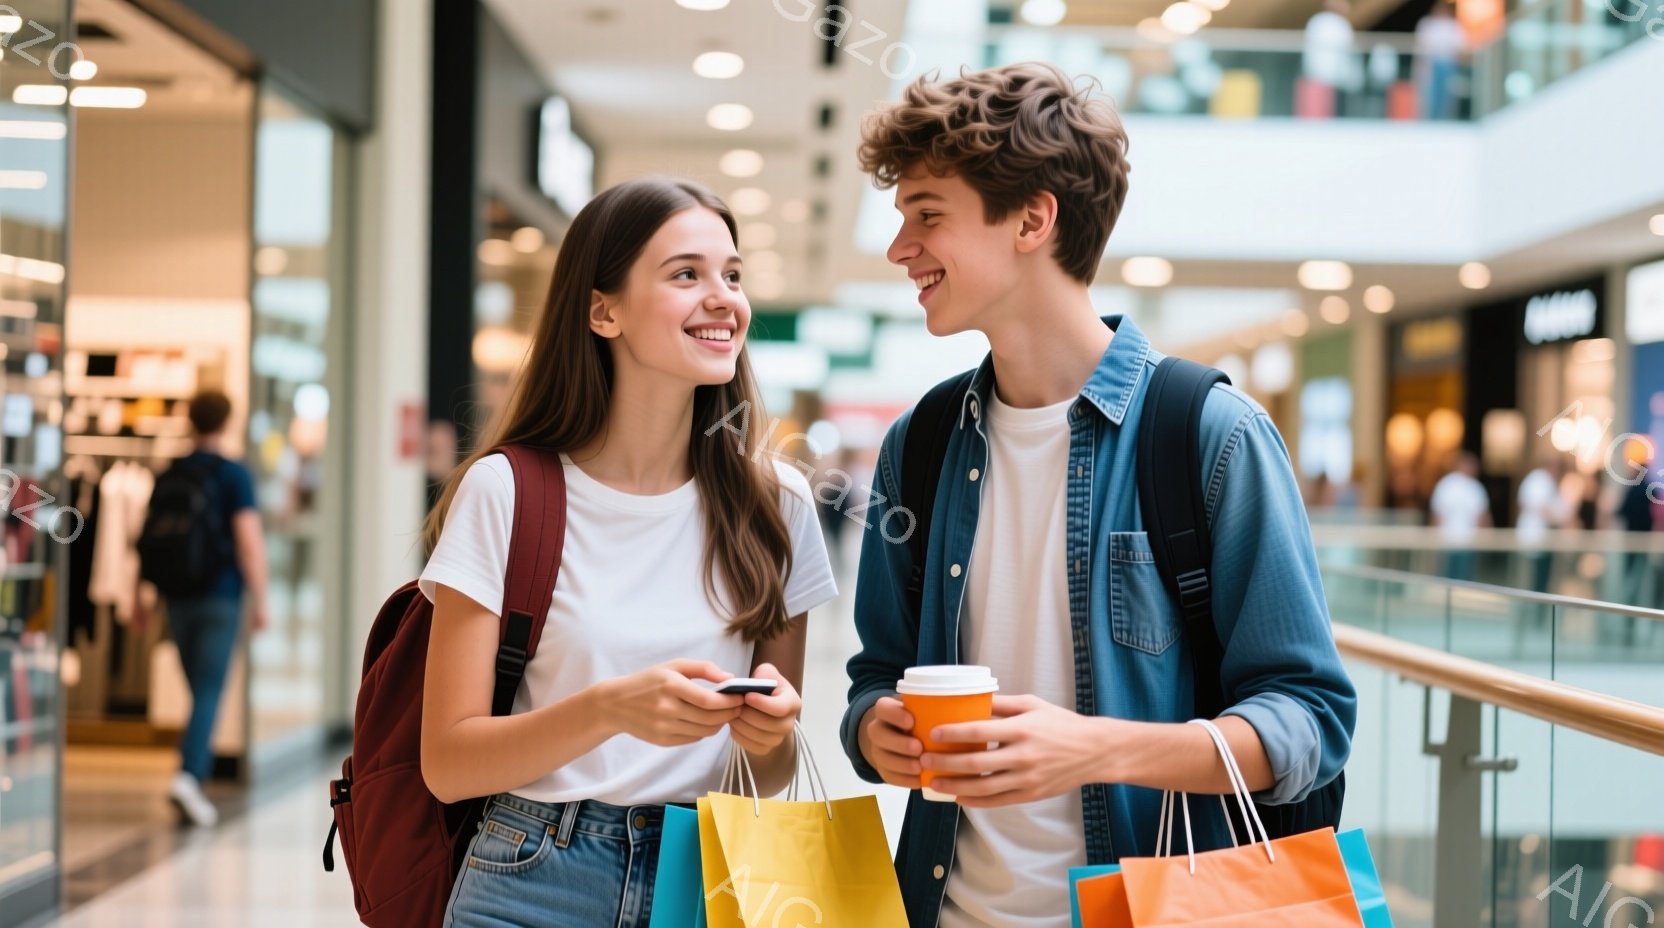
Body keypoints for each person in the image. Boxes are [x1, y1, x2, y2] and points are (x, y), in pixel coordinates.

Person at [840, 63, 1356, 928]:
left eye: (928, 215)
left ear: (1033, 219)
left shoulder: (1209, 434)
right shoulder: (921, 444)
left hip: (1159, 908)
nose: (900, 249)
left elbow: (1309, 722)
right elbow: (875, 675)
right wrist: (872, 729)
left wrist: (1093, 750)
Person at [419, 177, 838, 927]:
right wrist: (611, 708)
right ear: (602, 309)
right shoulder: (507, 491)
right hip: (531, 875)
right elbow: (448, 764)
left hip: (706, 875)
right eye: (687, 274)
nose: (724, 298)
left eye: (732, 275)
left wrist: (771, 734)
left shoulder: (777, 505)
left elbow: (767, 771)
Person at [148, 390, 268, 827]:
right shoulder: (234, 474)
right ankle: (189, 775)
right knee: (210, 689)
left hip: (176, 597)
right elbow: (249, 541)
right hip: (220, 595)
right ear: (228, 421)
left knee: (200, 688)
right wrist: (262, 598)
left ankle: (190, 770)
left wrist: (143, 597)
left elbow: (147, 541)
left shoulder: (170, 472)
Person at [1431, 451, 1491, 581]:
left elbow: (1482, 517)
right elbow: (1438, 515)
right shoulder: (1449, 485)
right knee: (1452, 576)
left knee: (1459, 576)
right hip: (1450, 540)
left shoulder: (1473, 487)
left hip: (1466, 541)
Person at [1517, 455, 1571, 592]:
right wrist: (1562, 519)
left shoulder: (1547, 482)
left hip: (1543, 540)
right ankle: (1532, 610)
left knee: (1541, 579)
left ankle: (1537, 609)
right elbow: (1542, 509)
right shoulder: (1539, 480)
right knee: (1532, 579)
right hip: (1535, 538)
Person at [1414, 2, 1467, 120]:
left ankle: (1444, 118)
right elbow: (1422, 45)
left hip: (1448, 62)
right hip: (1431, 63)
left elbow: (1461, 45)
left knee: (1446, 93)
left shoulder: (1453, 25)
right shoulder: (1427, 23)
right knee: (1430, 93)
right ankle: (1429, 118)